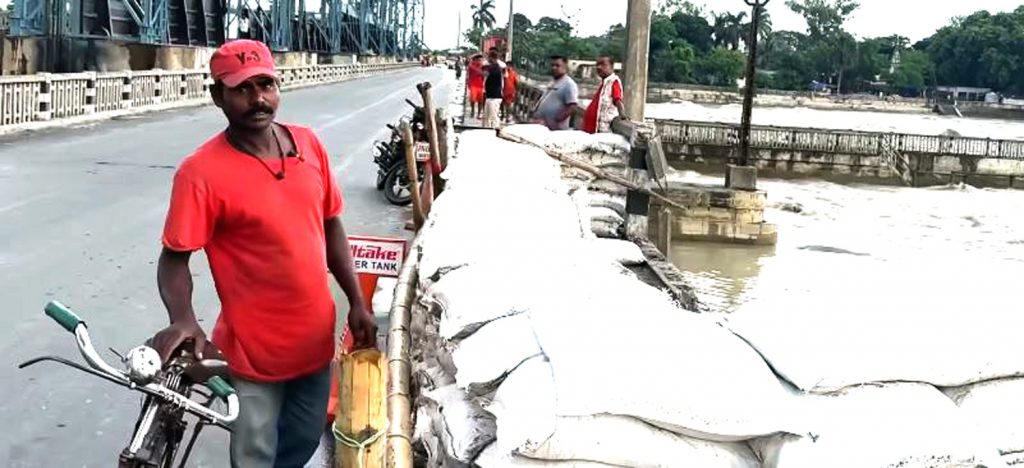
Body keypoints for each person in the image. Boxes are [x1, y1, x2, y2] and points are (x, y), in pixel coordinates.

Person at [152, 39, 378, 468]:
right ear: (218, 96)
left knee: (303, 443)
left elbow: (331, 226)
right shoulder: (200, 173)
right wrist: (183, 319)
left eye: (266, 84)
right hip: (251, 353)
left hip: (314, 341)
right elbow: (174, 257)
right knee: (255, 456)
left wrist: (357, 302)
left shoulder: (309, 146)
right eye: (242, 89)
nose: (258, 99)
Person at [531, 56, 579, 131]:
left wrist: (556, 119)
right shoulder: (553, 82)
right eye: (552, 65)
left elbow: (572, 106)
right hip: (542, 125)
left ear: (565, 66)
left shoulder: (569, 84)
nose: (554, 68)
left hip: (555, 129)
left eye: (557, 65)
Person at [582, 56, 626, 134]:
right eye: (598, 65)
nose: (599, 67)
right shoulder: (604, 83)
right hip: (595, 129)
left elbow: (617, 99)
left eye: (603, 64)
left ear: (612, 67)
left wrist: (622, 115)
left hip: (603, 129)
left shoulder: (614, 81)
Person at [481, 48, 507, 128]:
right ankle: (488, 129)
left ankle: (494, 130)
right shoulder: (498, 66)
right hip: (490, 93)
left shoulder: (497, 67)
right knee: (487, 116)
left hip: (494, 95)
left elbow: (485, 74)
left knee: (493, 116)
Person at [467, 54, 486, 120]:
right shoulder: (471, 66)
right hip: (473, 85)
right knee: (473, 100)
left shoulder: (482, 66)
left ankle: (478, 113)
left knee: (480, 101)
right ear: (475, 60)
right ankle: (472, 112)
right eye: (479, 60)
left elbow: (484, 75)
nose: (480, 61)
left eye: (481, 60)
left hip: (480, 86)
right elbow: (482, 73)